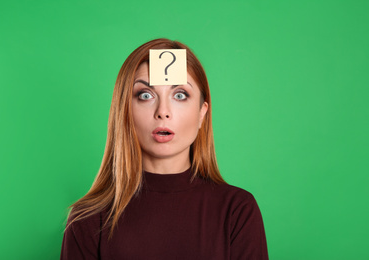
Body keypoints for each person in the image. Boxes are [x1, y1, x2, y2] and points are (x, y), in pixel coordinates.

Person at [60, 38, 268, 259]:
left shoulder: (237, 210)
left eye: (179, 95)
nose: (163, 112)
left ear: (202, 113)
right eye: (145, 95)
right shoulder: (89, 218)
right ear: (124, 112)